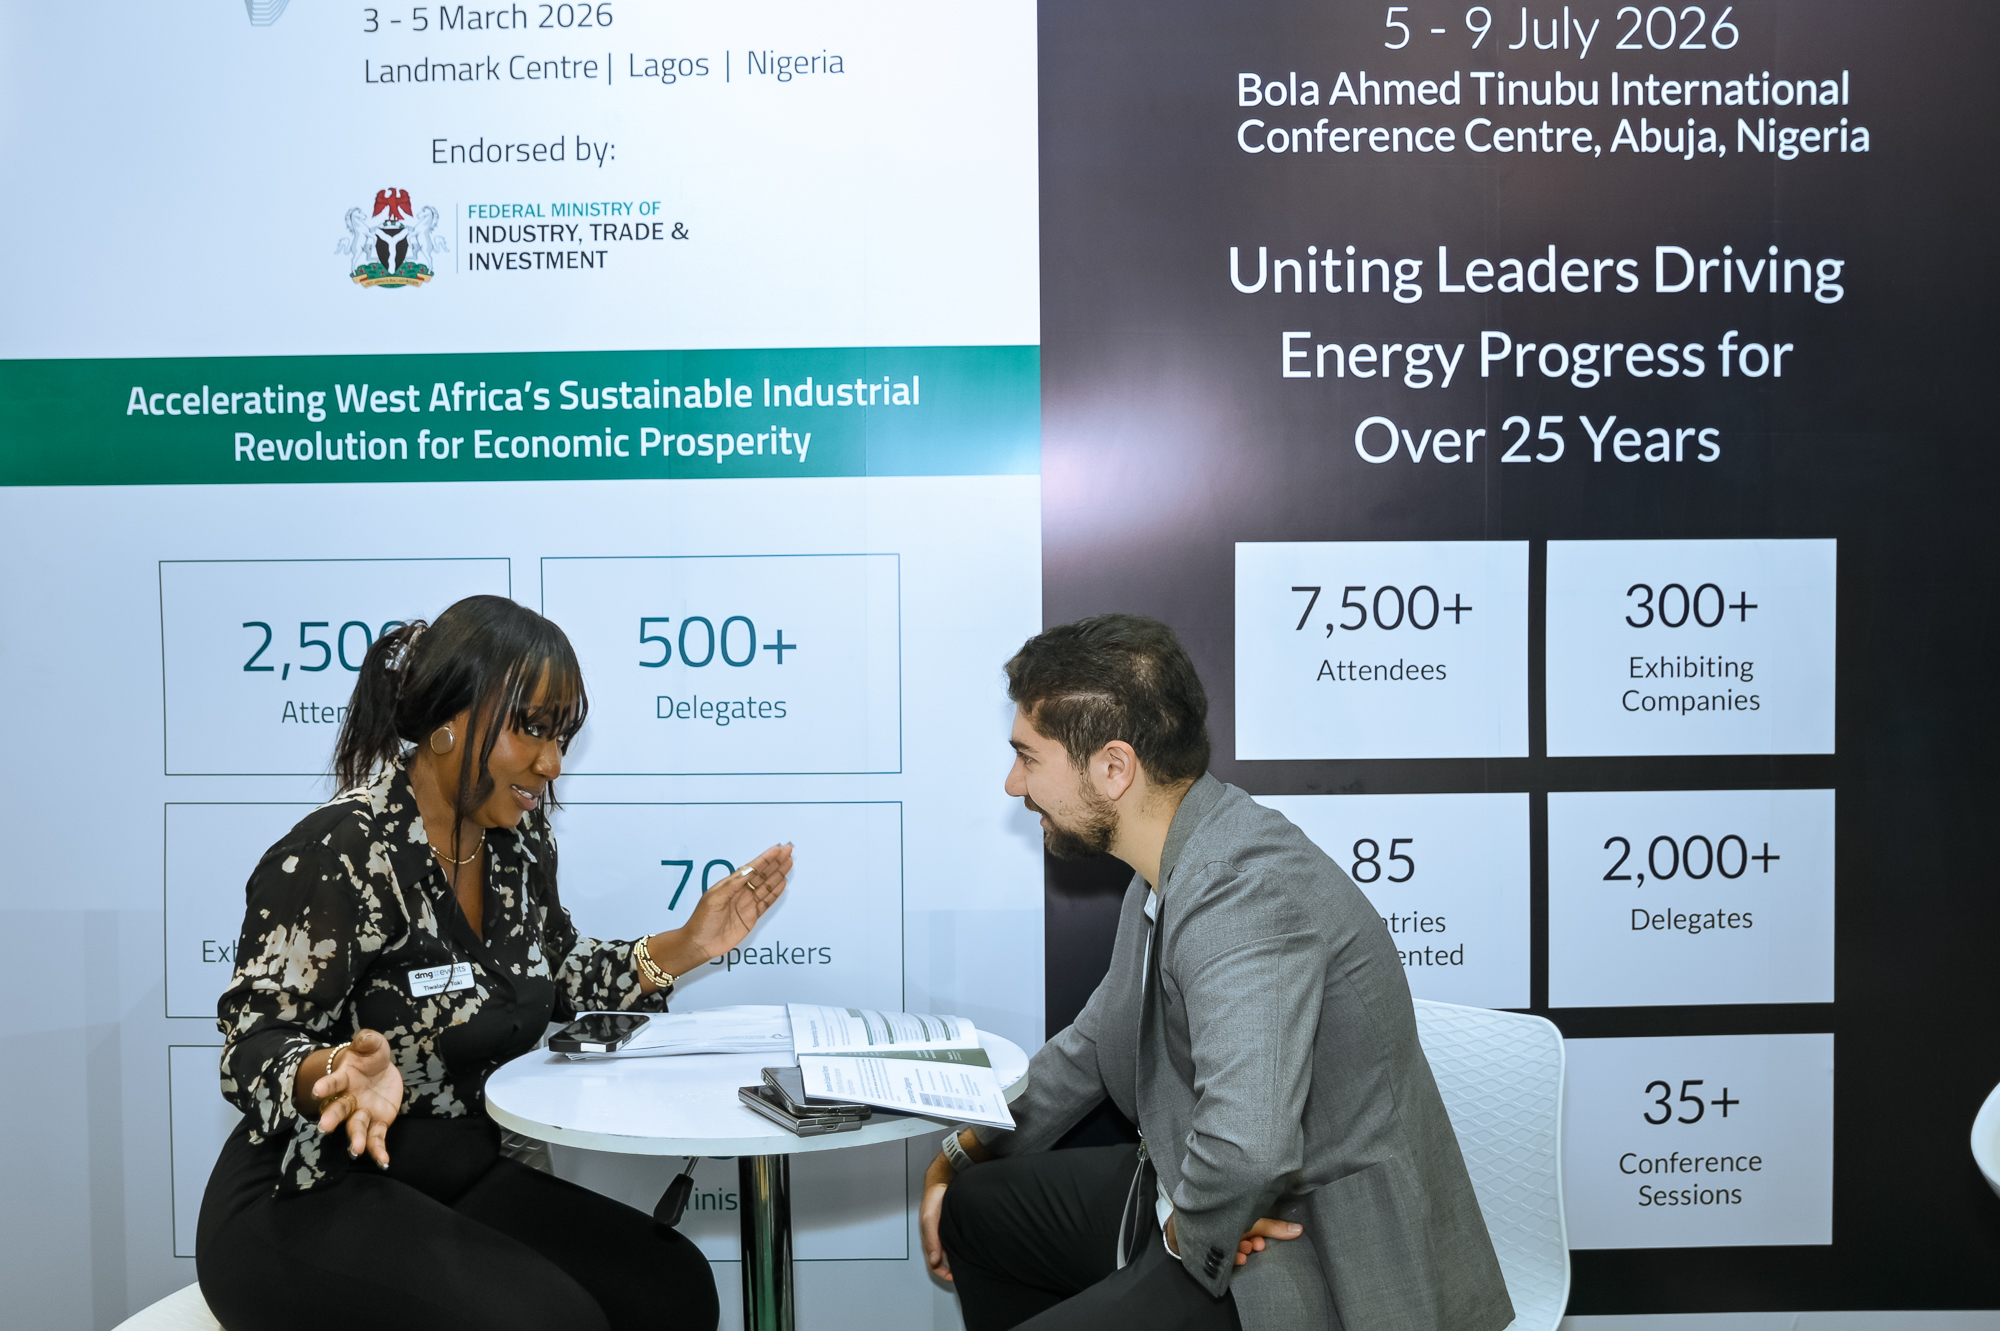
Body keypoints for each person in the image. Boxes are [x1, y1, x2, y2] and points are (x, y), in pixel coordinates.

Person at [197, 594, 795, 1331]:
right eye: (532, 728)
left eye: (562, 736)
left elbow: (558, 970)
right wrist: (333, 1071)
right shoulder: (339, 852)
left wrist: (687, 945)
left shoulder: (518, 843)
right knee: (552, 1321)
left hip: (454, 1172)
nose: (552, 762)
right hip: (308, 1188)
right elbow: (251, 1045)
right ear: (447, 721)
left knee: (673, 1288)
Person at [920, 614, 1514, 1331]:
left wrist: (1187, 1231)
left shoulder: (1240, 892)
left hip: (1299, 1252)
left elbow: (1248, 1148)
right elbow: (1096, 1043)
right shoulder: (1170, 861)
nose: (1013, 783)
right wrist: (963, 1150)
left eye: (1027, 757)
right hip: (1193, 1183)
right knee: (977, 1210)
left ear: (1114, 768)